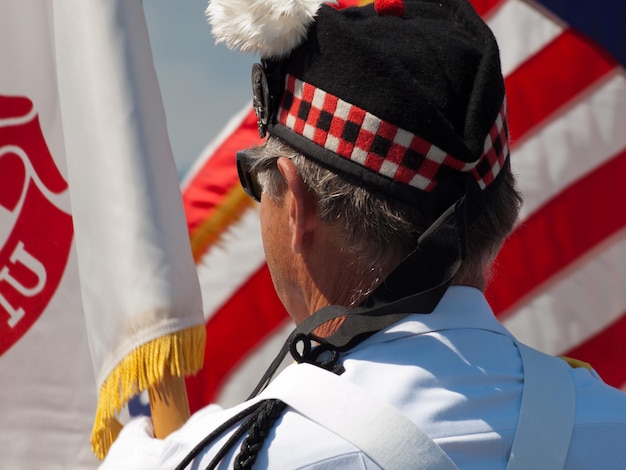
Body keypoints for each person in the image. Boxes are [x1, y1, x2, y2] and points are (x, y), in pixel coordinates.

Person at [101, 0, 626, 468]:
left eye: (255, 182)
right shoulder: (612, 425)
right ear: (499, 211)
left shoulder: (234, 456)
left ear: (296, 205)